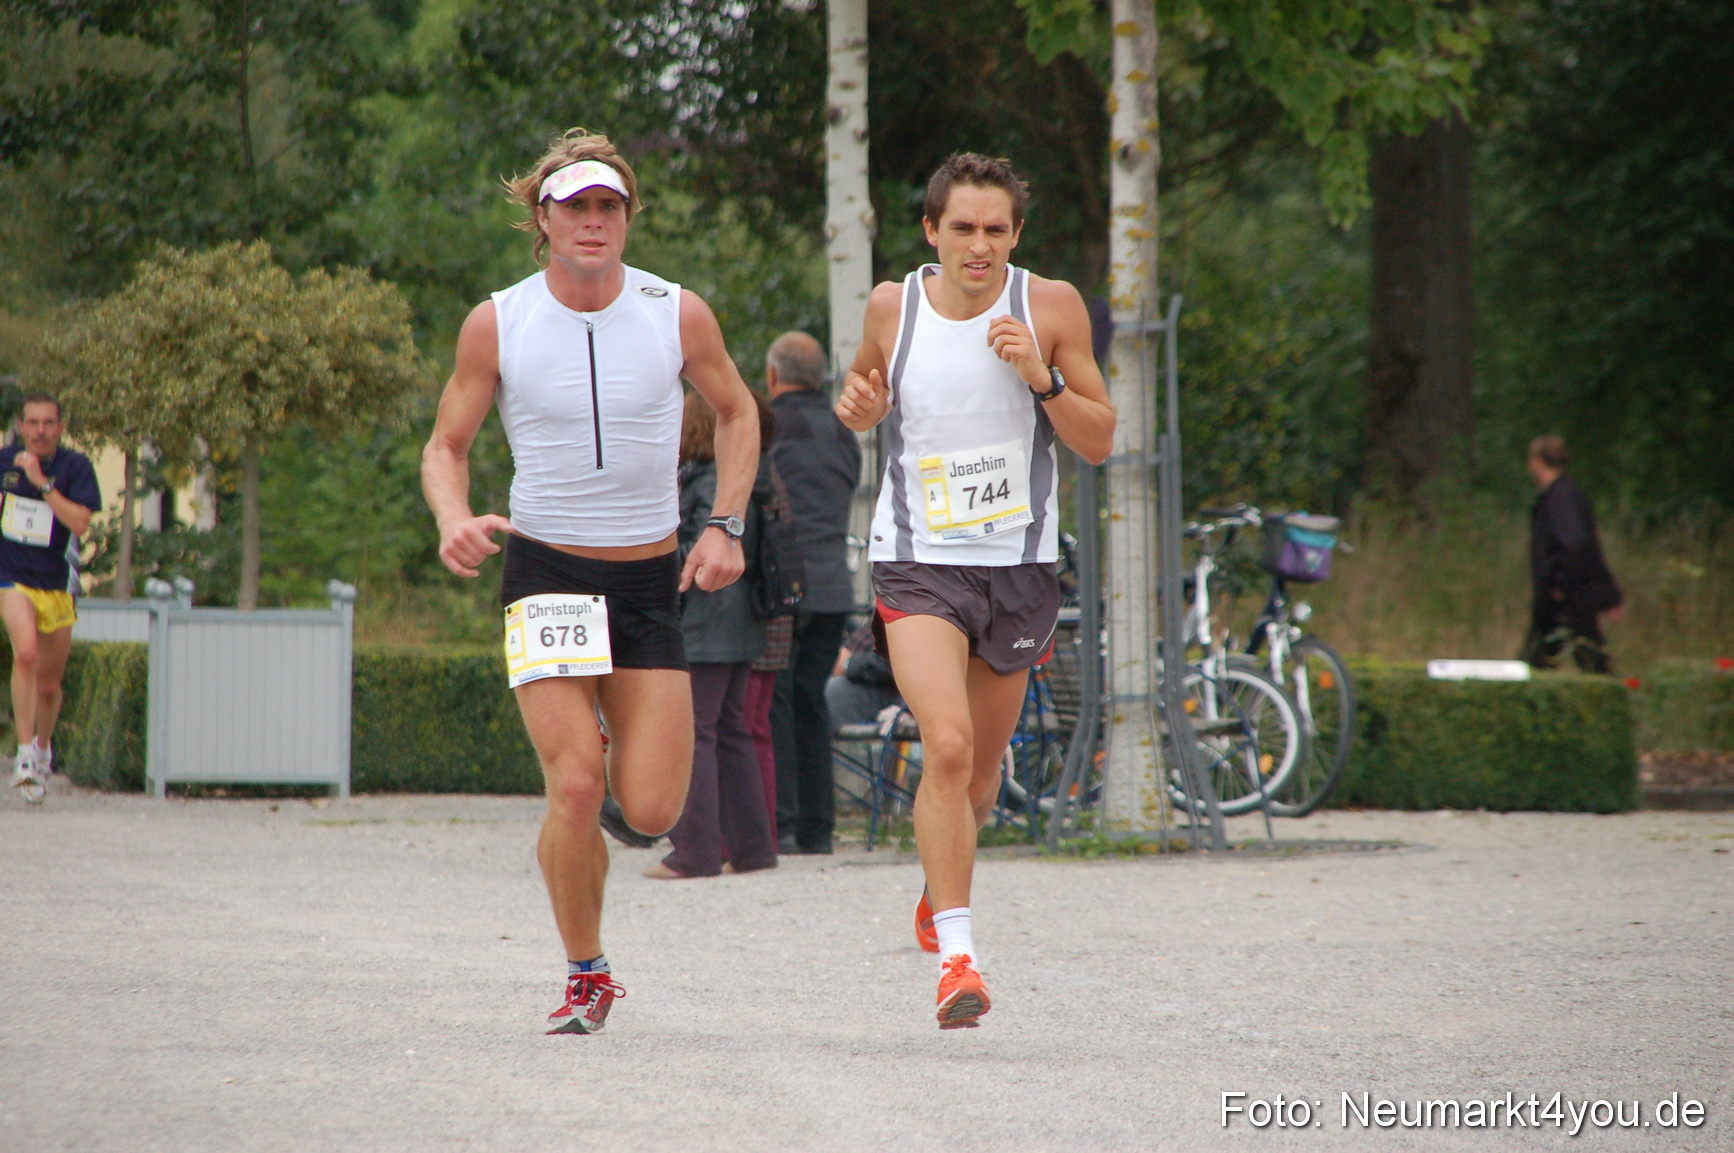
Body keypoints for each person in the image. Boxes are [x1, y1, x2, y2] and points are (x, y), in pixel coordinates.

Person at [421, 129, 759, 1035]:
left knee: (649, 809)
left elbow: (736, 410)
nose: (594, 221)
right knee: (574, 782)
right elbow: (447, 445)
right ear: (544, 218)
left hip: (648, 577)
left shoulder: (675, 311)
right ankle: (586, 970)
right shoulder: (499, 319)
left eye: (609, 205)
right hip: (548, 574)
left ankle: (608, 765)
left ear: (628, 215)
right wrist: (454, 517)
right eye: (576, 206)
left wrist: (725, 523)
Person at [834, 153, 1115, 1027]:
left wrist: (1043, 376)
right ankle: (959, 960)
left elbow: (1100, 438)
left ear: (1016, 235)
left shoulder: (1052, 306)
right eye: (963, 227)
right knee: (945, 746)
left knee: (980, 783)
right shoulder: (894, 304)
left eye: (996, 228)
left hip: (1018, 567)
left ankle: (936, 887)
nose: (980, 244)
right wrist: (859, 409)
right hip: (916, 562)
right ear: (931, 231)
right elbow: (864, 396)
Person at [645, 391, 779, 879]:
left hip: (705, 620)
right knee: (731, 732)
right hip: (740, 619)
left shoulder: (703, 482)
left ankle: (695, 851)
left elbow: (688, 553)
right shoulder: (740, 485)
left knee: (695, 733)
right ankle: (752, 849)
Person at [766, 331, 861, 855]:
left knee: (774, 699)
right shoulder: (844, 431)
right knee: (813, 702)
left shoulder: (772, 426)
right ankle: (817, 828)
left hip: (785, 582)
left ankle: (779, 821)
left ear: (773, 376)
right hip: (834, 586)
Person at [2, 394, 100, 805]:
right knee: (24, 653)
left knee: (49, 684)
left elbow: (80, 522)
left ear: (60, 428)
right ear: (21, 427)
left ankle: (43, 749)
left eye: (48, 423)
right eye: (33, 423)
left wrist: (42, 482)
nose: (40, 431)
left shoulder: (75, 468)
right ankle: (24, 756)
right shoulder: (4, 461)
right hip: (11, 578)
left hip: (57, 583)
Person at [1521, 435, 1622, 673]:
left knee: (1586, 658)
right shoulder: (1568, 494)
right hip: (1564, 597)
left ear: (1538, 461)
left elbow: (1575, 544)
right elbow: (1590, 545)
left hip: (1565, 598)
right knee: (1567, 655)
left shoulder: (1560, 497)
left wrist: (1561, 584)